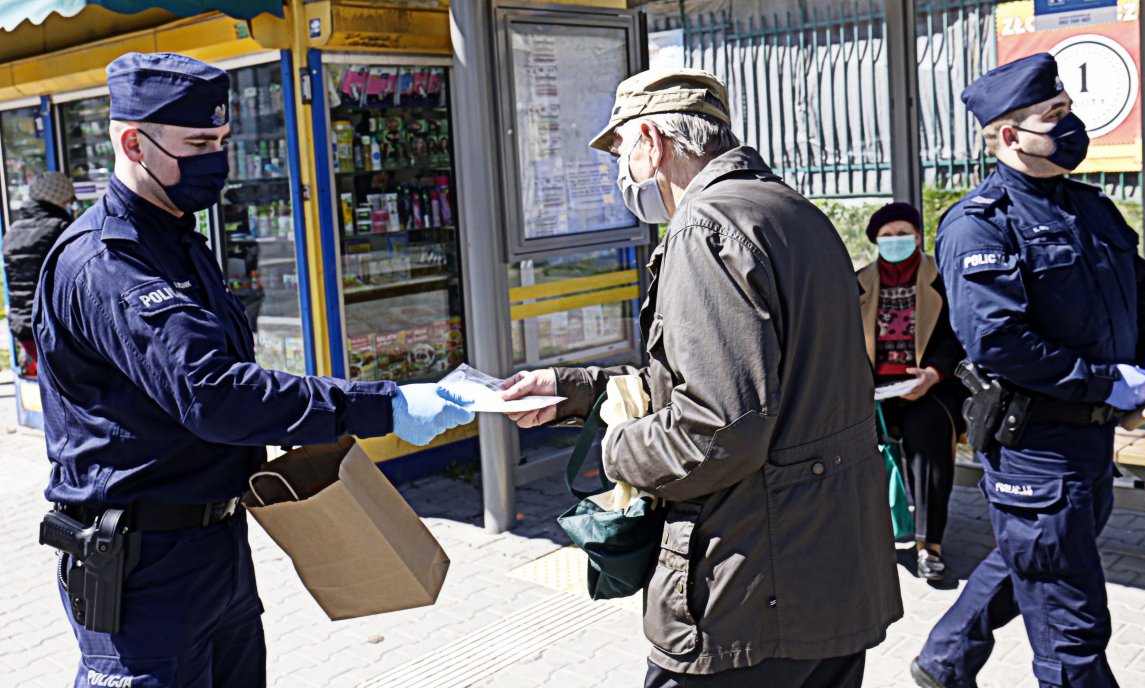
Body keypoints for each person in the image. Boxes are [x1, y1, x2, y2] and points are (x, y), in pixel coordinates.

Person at [33, 52, 473, 687]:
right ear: (134, 141)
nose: (218, 158)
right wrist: (383, 405)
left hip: (215, 546)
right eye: (200, 143)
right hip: (141, 566)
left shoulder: (177, 236)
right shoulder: (108, 262)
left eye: (224, 140)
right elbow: (214, 394)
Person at [500, 68, 902, 688]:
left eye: (621, 152)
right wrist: (575, 392)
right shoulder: (790, 210)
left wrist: (610, 448)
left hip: (747, 594)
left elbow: (717, 432)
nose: (623, 174)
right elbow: (752, 379)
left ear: (652, 143)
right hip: (831, 576)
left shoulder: (704, 228)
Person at [910, 53, 1145, 688]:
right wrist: (1106, 381)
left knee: (1033, 558)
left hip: (1091, 437)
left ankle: (944, 661)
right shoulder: (980, 223)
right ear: (1008, 135)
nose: (1070, 124)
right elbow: (1000, 341)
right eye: (1052, 115)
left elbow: (1139, 290)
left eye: (1067, 110)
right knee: (1072, 627)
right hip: (1036, 446)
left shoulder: (1090, 207)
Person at [857, 201, 966, 581]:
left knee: (930, 438)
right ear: (875, 240)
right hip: (873, 391)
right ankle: (875, 538)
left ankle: (928, 544)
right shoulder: (859, 282)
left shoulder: (944, 278)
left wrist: (933, 375)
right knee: (855, 448)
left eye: (903, 233)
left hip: (930, 383)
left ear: (918, 236)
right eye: (887, 235)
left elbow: (958, 337)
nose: (896, 241)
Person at [2, 171, 76, 377]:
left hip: (23, 327)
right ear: (60, 199)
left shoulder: (13, 231)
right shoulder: (61, 229)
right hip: (52, 328)